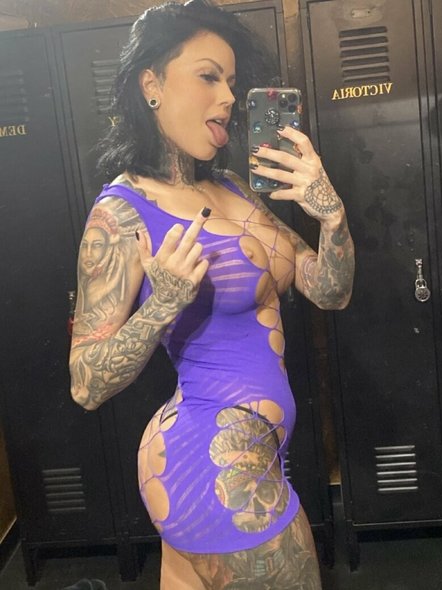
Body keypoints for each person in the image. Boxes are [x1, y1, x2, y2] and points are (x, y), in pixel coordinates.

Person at [69, 1, 355, 588]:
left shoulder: (233, 187)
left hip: (245, 458)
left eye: (230, 81)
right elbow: (85, 384)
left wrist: (332, 218)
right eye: (208, 76)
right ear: (151, 85)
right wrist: (162, 305)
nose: (227, 96)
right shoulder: (121, 213)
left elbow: (329, 292)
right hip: (212, 466)